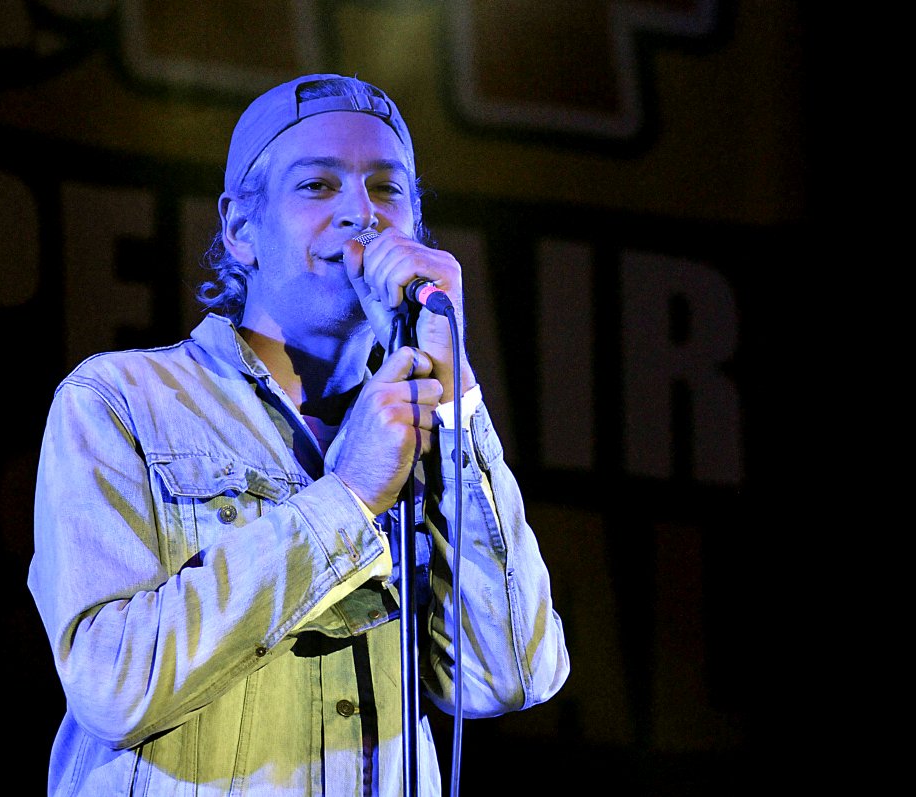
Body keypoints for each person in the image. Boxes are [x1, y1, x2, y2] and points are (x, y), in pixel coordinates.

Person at [28, 73, 570, 796]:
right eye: (318, 185)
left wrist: (457, 394)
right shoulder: (121, 400)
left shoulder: (426, 429)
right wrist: (348, 497)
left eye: (388, 189)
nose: (362, 214)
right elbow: (113, 682)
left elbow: (509, 675)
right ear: (241, 229)